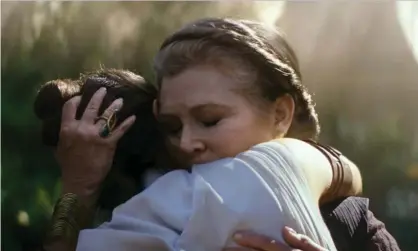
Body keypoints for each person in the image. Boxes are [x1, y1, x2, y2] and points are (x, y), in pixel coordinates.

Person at [34, 19, 399, 251]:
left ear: (281, 114)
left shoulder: (347, 223)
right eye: (172, 127)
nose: (187, 142)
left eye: (210, 120)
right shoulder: (145, 210)